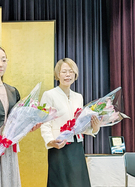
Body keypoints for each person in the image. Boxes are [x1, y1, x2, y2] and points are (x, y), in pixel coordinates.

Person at [0, 45, 41, 187]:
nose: (1, 64)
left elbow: (18, 122)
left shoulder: (12, 91)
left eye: (4, 60)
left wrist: (30, 126)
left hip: (9, 143)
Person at [40, 58, 101, 187]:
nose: (67, 75)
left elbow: (80, 125)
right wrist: (51, 141)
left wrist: (94, 128)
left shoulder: (78, 97)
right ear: (57, 75)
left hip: (76, 147)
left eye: (71, 71)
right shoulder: (49, 95)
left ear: (75, 74)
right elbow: (44, 123)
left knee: (79, 182)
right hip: (59, 146)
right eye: (64, 72)